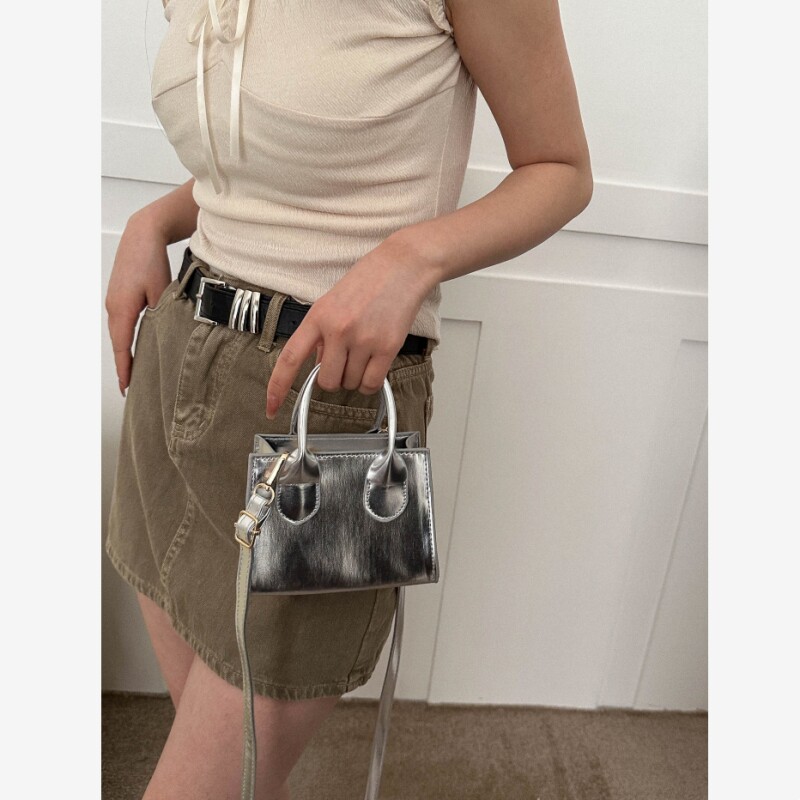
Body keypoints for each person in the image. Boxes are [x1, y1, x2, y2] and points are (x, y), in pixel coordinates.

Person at [104, 0, 593, 797]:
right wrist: (153, 220)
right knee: (238, 775)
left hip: (334, 411)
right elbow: (262, 154)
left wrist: (412, 255)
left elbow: (562, 170)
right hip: (176, 357)